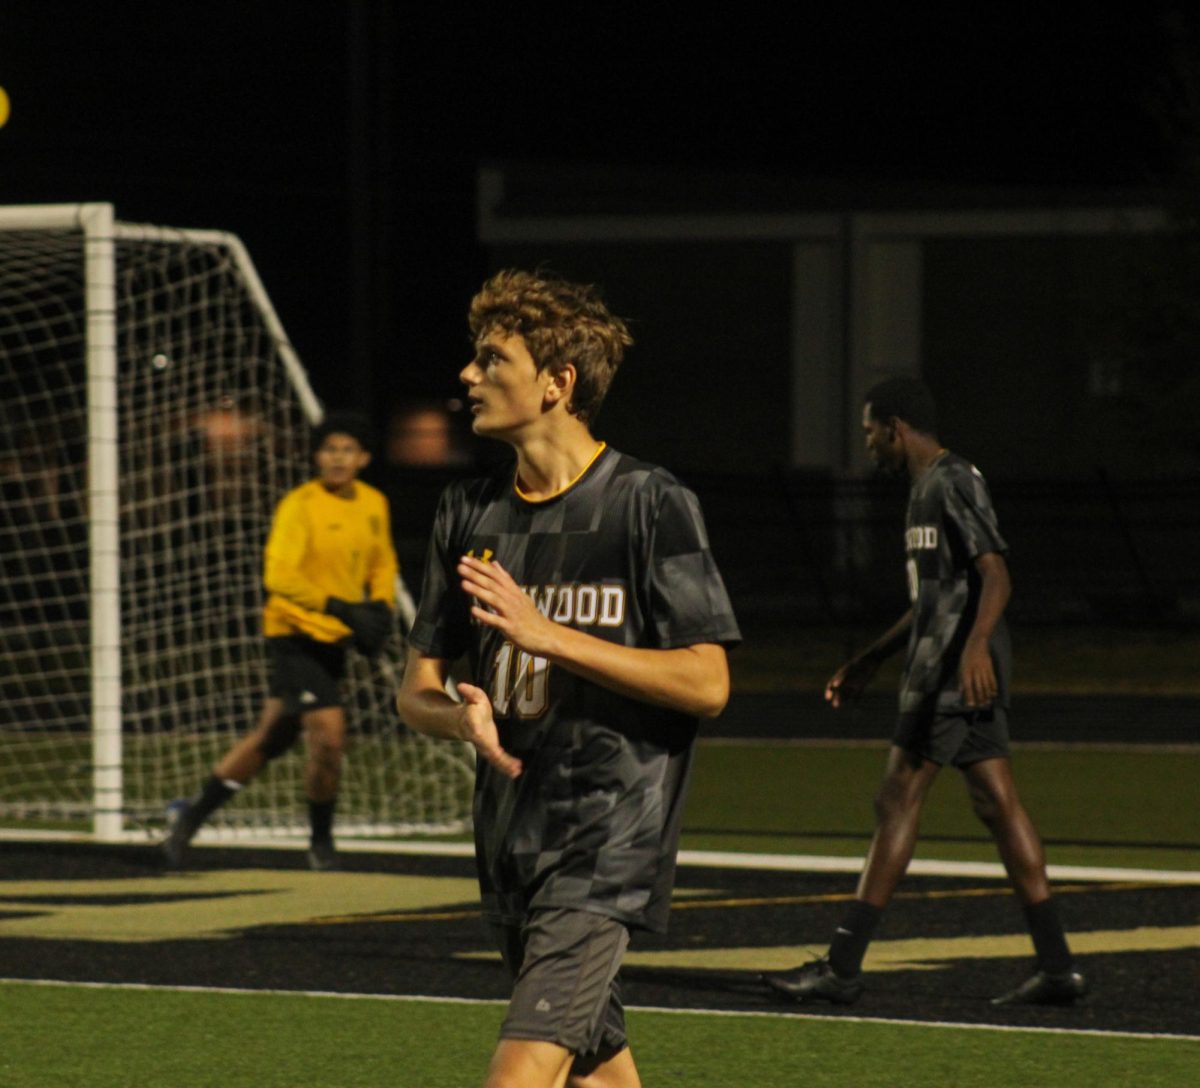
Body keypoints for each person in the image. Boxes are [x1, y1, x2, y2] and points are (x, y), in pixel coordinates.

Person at [396, 269, 740, 1088]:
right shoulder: (467, 512)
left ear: (557, 383)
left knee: (519, 1076)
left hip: (607, 838)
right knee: (597, 1072)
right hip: (512, 836)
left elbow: (708, 683)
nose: (467, 376)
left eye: (490, 360)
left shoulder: (649, 504)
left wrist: (551, 636)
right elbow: (415, 689)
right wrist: (458, 719)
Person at [762, 377, 1087, 1009]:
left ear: (896, 427)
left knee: (897, 797)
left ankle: (843, 966)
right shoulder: (922, 493)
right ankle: (1058, 968)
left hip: (951, 671)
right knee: (996, 801)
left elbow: (997, 576)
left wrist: (971, 650)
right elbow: (934, 601)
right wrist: (869, 659)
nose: (868, 446)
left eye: (869, 433)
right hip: (948, 664)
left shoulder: (952, 480)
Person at [162, 411, 397, 871]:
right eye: (329, 449)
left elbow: (382, 563)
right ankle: (321, 842)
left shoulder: (373, 503)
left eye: (347, 450)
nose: (337, 458)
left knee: (272, 737)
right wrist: (338, 607)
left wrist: (381, 608)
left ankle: (190, 816)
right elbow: (278, 576)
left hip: (333, 637)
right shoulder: (299, 504)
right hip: (293, 632)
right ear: (316, 456)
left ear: (363, 458)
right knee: (329, 736)